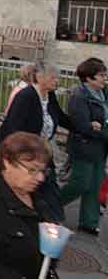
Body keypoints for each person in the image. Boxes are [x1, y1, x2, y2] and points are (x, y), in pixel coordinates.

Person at [0, 132, 59, 279]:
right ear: (7, 162)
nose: (40, 178)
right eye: (32, 170)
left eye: (43, 171)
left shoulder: (37, 199)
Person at [0, 62, 72, 220]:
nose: (57, 81)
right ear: (39, 77)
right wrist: (14, 155)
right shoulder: (26, 96)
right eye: (53, 77)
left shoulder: (50, 96)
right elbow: (13, 126)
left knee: (48, 188)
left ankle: (49, 223)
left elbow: (61, 118)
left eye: (58, 78)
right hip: (20, 152)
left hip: (40, 152)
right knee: (17, 188)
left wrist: (85, 127)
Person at [59, 58, 108, 236]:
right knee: (81, 183)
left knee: (96, 184)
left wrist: (99, 127)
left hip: (100, 146)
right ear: (88, 78)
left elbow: (99, 122)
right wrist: (99, 129)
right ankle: (52, 205)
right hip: (84, 146)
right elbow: (82, 126)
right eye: (101, 75)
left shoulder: (104, 93)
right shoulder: (79, 96)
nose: (104, 78)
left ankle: (89, 222)